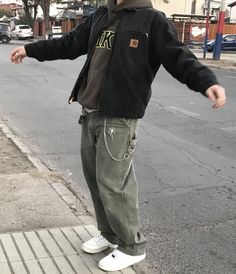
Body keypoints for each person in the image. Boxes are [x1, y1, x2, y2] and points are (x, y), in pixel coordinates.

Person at [10, 0, 226, 271]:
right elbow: (68, 44)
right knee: (95, 179)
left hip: (120, 117)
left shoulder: (152, 21)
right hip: (90, 111)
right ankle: (110, 234)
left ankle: (132, 246)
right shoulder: (102, 15)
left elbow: (178, 56)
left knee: (114, 183)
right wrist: (30, 49)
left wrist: (206, 81)